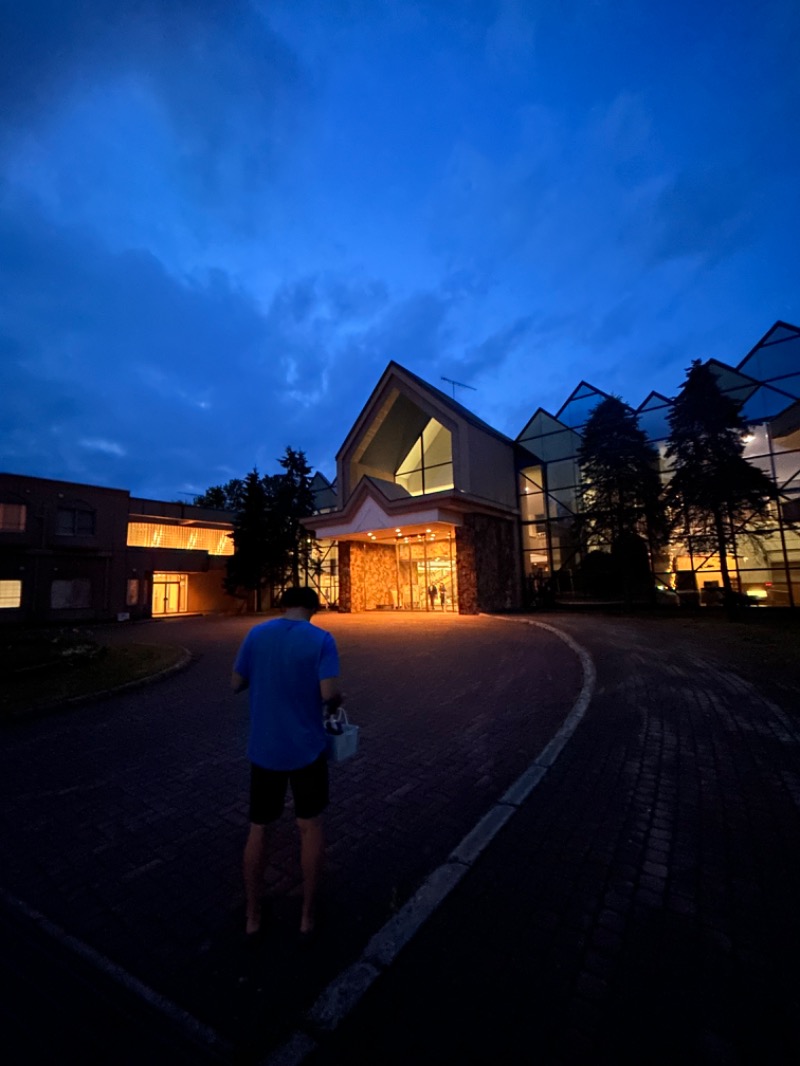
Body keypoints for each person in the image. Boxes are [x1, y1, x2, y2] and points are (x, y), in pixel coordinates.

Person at [231, 586, 342, 942]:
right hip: (307, 749)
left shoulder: (256, 633)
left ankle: (252, 914)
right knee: (309, 826)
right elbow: (329, 696)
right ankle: (307, 914)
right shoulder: (322, 639)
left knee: (259, 828)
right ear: (313, 609)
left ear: (282, 606)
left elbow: (236, 683)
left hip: (264, 748)